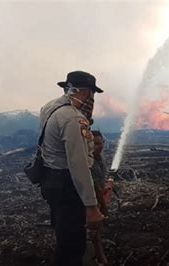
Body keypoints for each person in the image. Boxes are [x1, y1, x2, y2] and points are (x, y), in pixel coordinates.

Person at [39, 70, 104, 266]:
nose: (91, 99)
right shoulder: (73, 119)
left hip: (50, 182)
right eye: (90, 94)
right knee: (72, 246)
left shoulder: (50, 108)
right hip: (68, 187)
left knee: (63, 235)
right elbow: (79, 165)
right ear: (82, 92)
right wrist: (92, 207)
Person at [90, 130, 113, 216]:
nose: (97, 147)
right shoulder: (88, 163)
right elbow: (95, 188)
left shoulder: (101, 159)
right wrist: (104, 209)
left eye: (99, 143)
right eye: (94, 144)